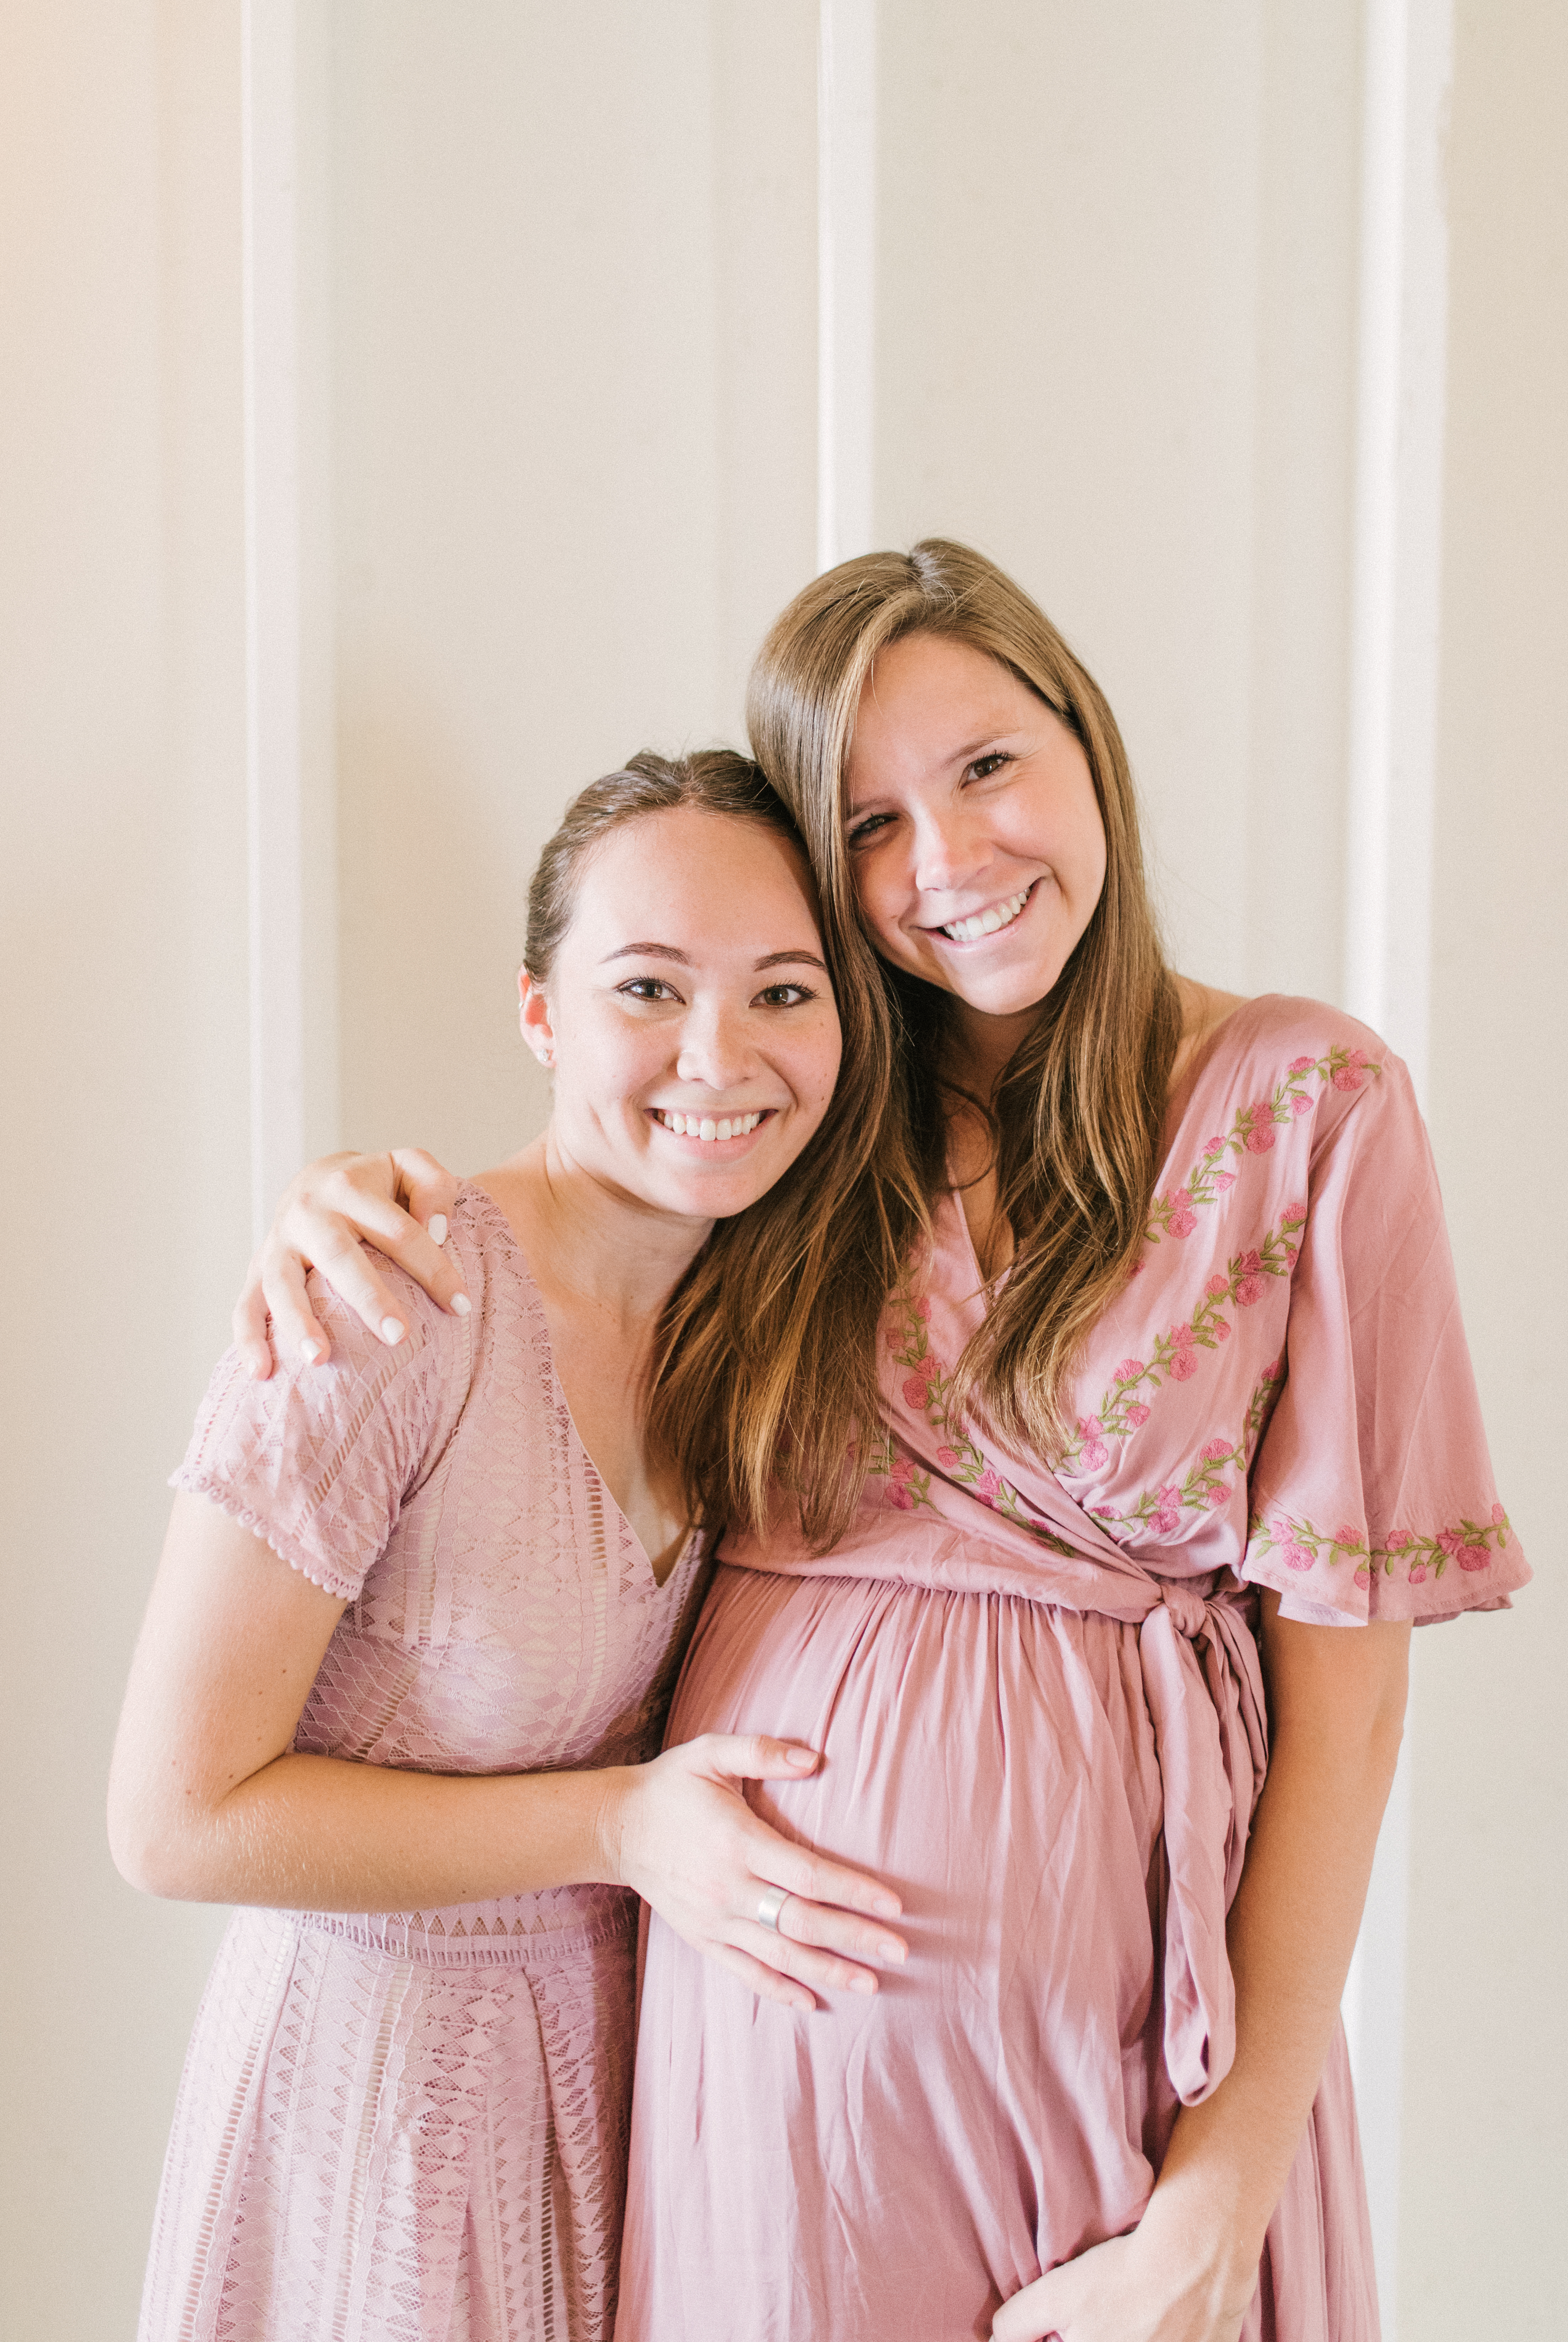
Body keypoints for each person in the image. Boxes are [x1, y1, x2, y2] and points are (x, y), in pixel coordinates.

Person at [250, 544, 1527, 2342]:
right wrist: (345, 1202)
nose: (948, 861)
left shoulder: (1308, 1104)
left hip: (1143, 2073)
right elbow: (573, 1191)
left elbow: (1353, 1704)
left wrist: (1222, 2187)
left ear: (1084, 744)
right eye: (865, 822)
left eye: (988, 766)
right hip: (772, 2069)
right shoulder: (793, 1111)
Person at [109, 751, 912, 2342]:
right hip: (373, 2123)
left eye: (781, 991)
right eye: (647, 987)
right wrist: (619, 1828)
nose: (718, 1055)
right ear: (540, 1013)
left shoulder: (767, 1322)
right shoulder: (383, 1294)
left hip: (642, 2108)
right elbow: (174, 1820)